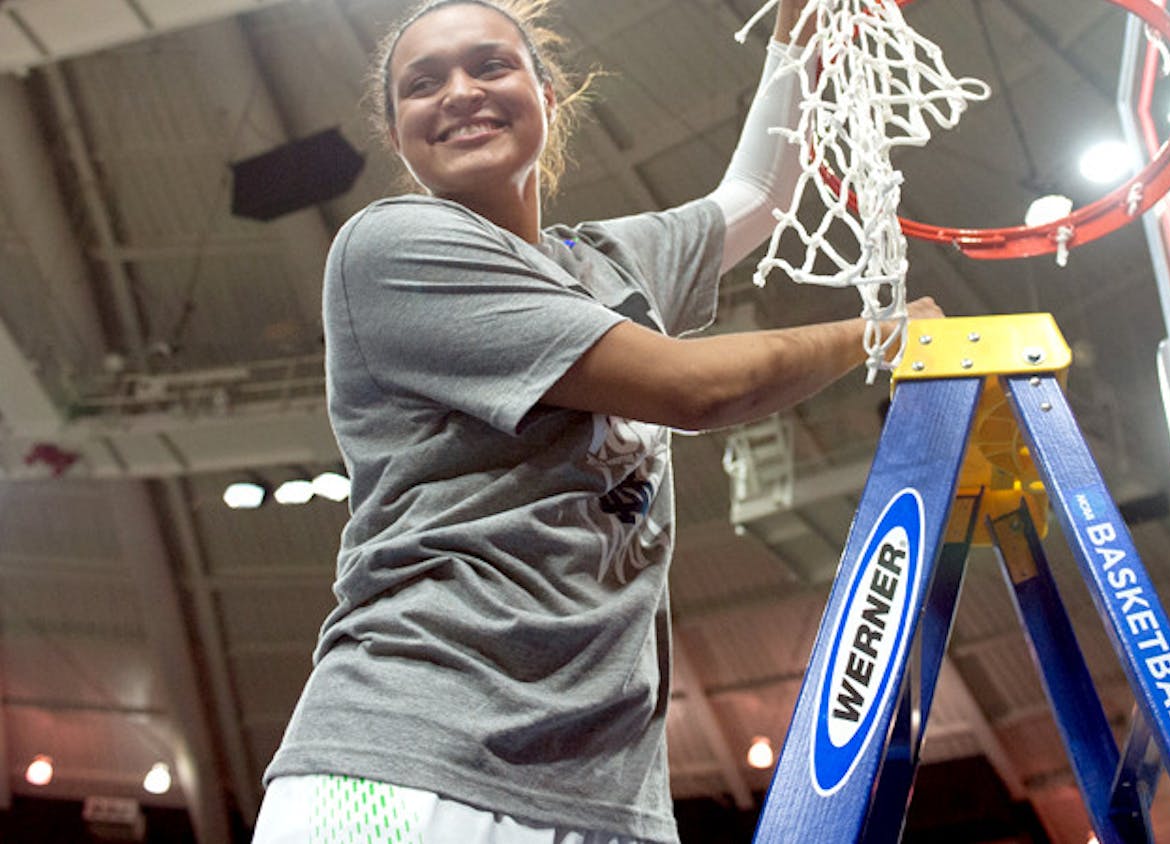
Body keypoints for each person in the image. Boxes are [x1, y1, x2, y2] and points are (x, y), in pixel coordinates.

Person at [253, 1, 942, 841]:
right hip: (404, 757)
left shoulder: (605, 261)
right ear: (399, 136)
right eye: (423, 84)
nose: (460, 92)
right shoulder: (394, 246)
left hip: (600, 787)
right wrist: (883, 334)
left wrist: (796, 35)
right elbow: (696, 389)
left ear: (549, 95)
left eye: (490, 65)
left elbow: (758, 195)